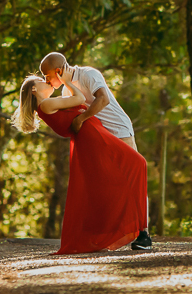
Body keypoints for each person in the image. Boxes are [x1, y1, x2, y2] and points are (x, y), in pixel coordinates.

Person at [11, 71, 148, 254]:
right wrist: (68, 82)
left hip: (92, 136)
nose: (47, 82)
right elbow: (80, 98)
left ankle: (133, 228)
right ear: (34, 89)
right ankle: (136, 228)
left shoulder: (46, 106)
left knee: (124, 173)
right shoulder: (47, 104)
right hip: (93, 137)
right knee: (137, 164)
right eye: (42, 81)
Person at [39, 52, 153, 251]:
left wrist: (81, 120)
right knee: (107, 184)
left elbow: (103, 99)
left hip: (119, 130)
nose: (45, 81)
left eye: (47, 76)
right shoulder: (67, 92)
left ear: (58, 71)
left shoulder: (89, 74)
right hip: (101, 137)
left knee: (131, 178)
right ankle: (106, 233)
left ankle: (144, 234)